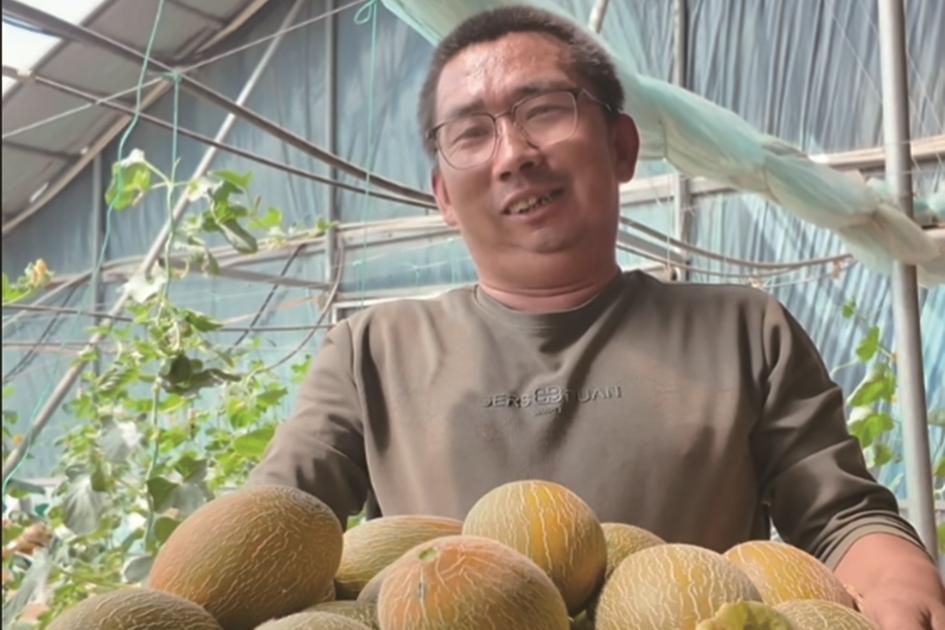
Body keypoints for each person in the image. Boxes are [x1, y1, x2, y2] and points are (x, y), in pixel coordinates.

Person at [250, 6, 944, 628]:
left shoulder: (745, 330)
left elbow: (841, 517)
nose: (514, 155)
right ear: (443, 197)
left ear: (621, 147)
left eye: (544, 110)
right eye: (470, 133)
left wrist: (898, 584)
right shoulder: (370, 350)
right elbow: (267, 529)